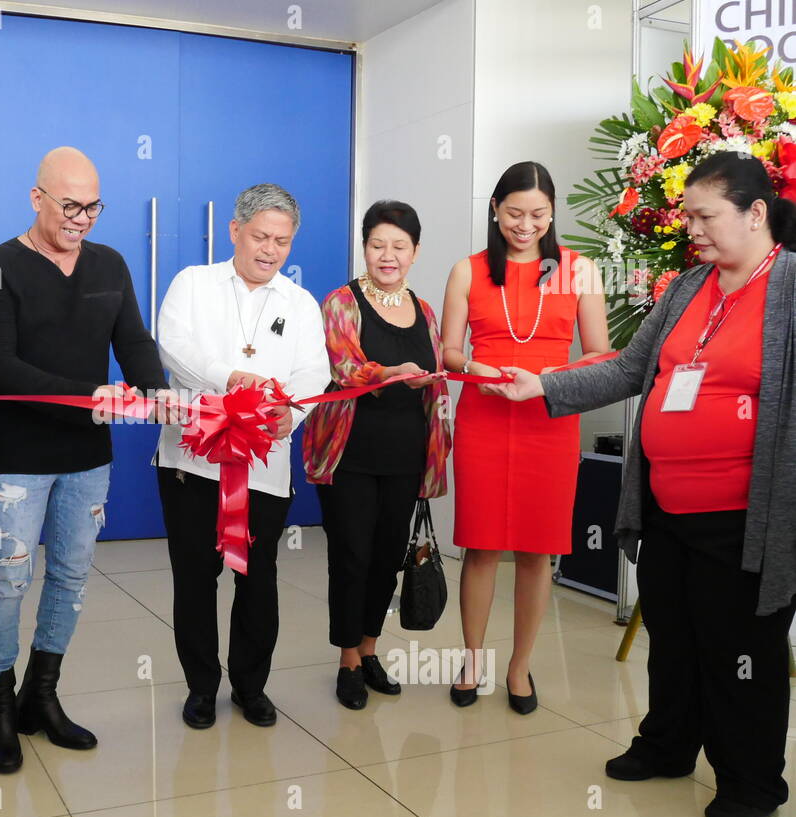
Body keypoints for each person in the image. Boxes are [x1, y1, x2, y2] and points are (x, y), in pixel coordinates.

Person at [488, 152, 796, 817]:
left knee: (739, 646)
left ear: (755, 213)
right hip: (665, 503)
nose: (693, 230)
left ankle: (751, 781)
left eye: (705, 216)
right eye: (688, 216)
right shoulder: (690, 286)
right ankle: (667, 745)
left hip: (745, 514)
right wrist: (545, 384)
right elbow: (632, 368)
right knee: (675, 634)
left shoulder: (790, 288)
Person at [0, 146, 169, 773]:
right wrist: (93, 397)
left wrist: (156, 389)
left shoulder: (108, 264)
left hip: (89, 457)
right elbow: (0, 368)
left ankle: (40, 696)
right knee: (9, 577)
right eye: (70, 205)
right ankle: (0, 706)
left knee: (72, 577)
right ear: (37, 199)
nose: (82, 219)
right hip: (19, 456)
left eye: (93, 207)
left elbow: (132, 339)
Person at [155, 183, 330, 729]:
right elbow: (173, 345)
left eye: (282, 240)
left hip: (264, 467)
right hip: (192, 463)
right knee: (196, 576)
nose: (270, 250)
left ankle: (251, 686)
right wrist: (230, 379)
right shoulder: (193, 283)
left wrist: (292, 414)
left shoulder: (298, 303)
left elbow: (314, 372)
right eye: (260, 236)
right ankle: (201, 688)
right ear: (235, 231)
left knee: (258, 578)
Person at [441, 161, 609, 713]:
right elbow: (449, 352)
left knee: (538, 550)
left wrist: (546, 382)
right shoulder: (468, 271)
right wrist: (478, 368)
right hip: (485, 418)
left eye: (538, 214)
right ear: (495, 209)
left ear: (553, 213)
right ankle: (472, 660)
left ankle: (520, 667)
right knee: (481, 544)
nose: (525, 224)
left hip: (550, 419)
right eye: (515, 212)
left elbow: (598, 356)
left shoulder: (578, 271)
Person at [302, 200, 450, 709]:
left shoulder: (425, 310)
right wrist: (389, 373)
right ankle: (346, 661)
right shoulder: (341, 302)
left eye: (399, 247)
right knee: (351, 557)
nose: (388, 256)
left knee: (387, 559)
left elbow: (435, 387)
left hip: (406, 456)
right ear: (364, 247)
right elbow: (345, 367)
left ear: (415, 252)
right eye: (377, 245)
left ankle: (370, 650)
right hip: (351, 455)